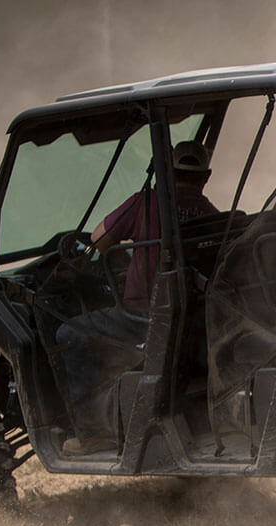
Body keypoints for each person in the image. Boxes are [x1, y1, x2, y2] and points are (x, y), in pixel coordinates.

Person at [57, 141, 218, 454]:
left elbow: (98, 239)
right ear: (205, 177)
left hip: (144, 317)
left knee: (69, 333)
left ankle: (95, 433)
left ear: (165, 171)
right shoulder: (210, 213)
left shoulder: (145, 203)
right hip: (193, 321)